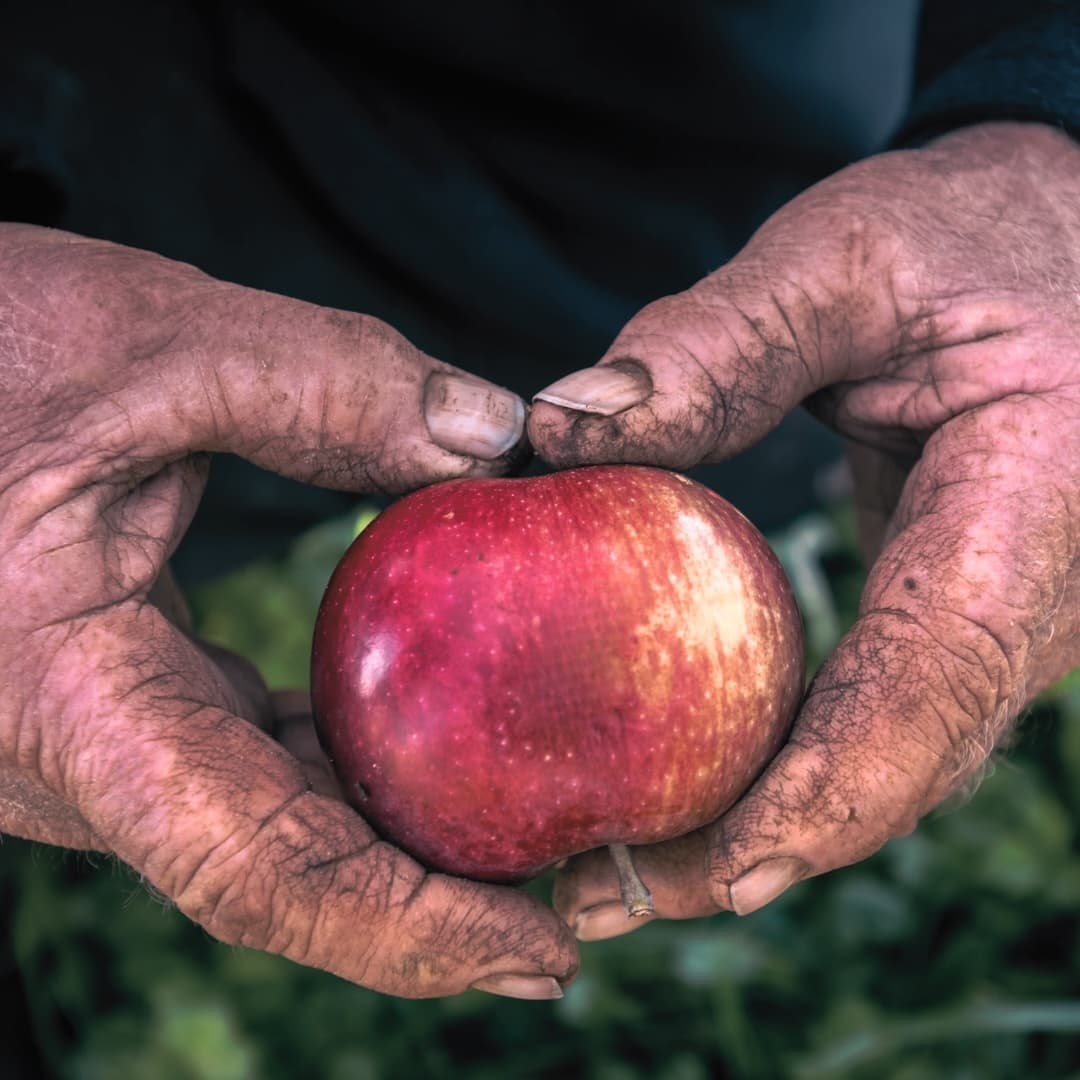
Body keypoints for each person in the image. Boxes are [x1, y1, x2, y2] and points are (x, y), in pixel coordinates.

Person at [1, 1, 1078, 1002]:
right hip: (102, 193)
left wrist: (1049, 128)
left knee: (700, 395)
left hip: (674, 142)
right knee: (113, 561)